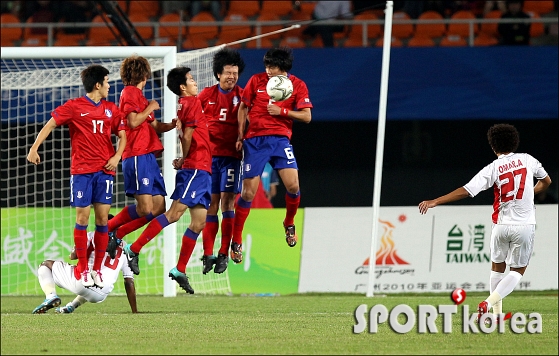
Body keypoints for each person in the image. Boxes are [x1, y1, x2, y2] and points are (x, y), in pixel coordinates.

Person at [418, 123, 551, 323]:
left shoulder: (493, 168)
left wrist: (435, 200)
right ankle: (488, 304)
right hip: (524, 226)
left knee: (496, 268)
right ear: (515, 142)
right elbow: (546, 181)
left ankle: (495, 316)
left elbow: (467, 190)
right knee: (517, 271)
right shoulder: (527, 159)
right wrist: (527, 195)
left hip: (501, 225)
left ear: (493, 146)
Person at [27, 64, 127, 289]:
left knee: (102, 220)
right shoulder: (74, 107)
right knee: (82, 218)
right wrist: (34, 148)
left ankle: (97, 269)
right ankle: (82, 268)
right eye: (107, 82)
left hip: (105, 172)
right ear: (97, 84)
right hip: (81, 172)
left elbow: (122, 134)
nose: (110, 86)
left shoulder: (111, 109)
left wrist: (117, 156)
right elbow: (51, 123)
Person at [123, 66, 212, 294]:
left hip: (203, 170)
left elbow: (183, 130)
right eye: (191, 80)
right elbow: (188, 135)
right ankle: (134, 248)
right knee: (172, 214)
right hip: (195, 168)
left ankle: (180, 269)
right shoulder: (191, 103)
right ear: (183, 87)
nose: (195, 82)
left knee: (199, 222)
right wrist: (184, 159)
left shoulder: (187, 105)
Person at [231, 46, 313, 264]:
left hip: (279, 141)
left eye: (273, 66)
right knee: (248, 193)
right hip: (255, 141)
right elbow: (242, 108)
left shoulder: (297, 85)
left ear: (283, 67)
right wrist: (240, 135)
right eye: (267, 65)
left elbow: (307, 117)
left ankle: (288, 222)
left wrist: (283, 111)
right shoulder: (256, 81)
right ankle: (236, 239)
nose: (268, 70)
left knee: (293, 186)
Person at [106, 55, 177, 256]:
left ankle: (118, 233)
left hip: (148, 157)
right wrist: (150, 107)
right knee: (145, 208)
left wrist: (173, 124)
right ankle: (109, 227)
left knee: (159, 207)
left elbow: (156, 126)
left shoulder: (141, 98)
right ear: (144, 76)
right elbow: (133, 122)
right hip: (136, 155)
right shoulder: (129, 92)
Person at [197, 48, 245, 275]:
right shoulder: (205, 96)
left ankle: (224, 253)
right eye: (228, 72)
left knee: (227, 204)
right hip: (209, 159)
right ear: (218, 74)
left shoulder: (244, 97)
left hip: (231, 159)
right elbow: (191, 125)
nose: (232, 77)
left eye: (235, 73)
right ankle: (208, 254)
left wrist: (241, 139)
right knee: (211, 206)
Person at [32, 225, 137, 314]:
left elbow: (73, 256)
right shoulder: (126, 247)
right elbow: (129, 282)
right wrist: (134, 311)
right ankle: (71, 306)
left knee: (46, 265)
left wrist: (76, 246)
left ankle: (51, 296)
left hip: (81, 283)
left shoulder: (92, 235)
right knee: (94, 280)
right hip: (102, 294)